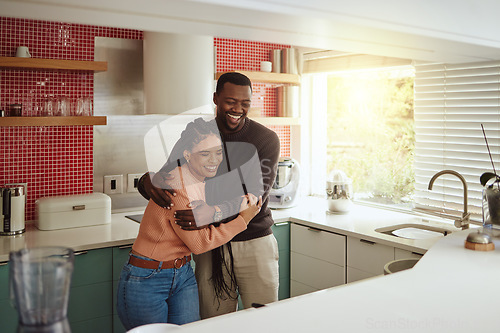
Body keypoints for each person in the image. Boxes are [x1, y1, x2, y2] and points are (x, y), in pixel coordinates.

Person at [139, 72, 281, 318]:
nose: (238, 109)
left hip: (254, 241)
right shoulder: (196, 133)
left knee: (264, 321)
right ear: (215, 98)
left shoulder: (266, 139)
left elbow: (256, 196)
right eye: (230, 101)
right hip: (209, 245)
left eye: (245, 104)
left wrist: (214, 211)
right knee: (213, 322)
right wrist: (145, 181)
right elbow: (168, 176)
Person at [117, 118, 262, 330]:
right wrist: (243, 220)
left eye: (218, 152)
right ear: (187, 155)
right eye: (205, 153)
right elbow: (200, 243)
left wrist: (242, 202)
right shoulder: (177, 187)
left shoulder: (201, 178)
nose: (214, 160)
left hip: (183, 274)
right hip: (147, 277)